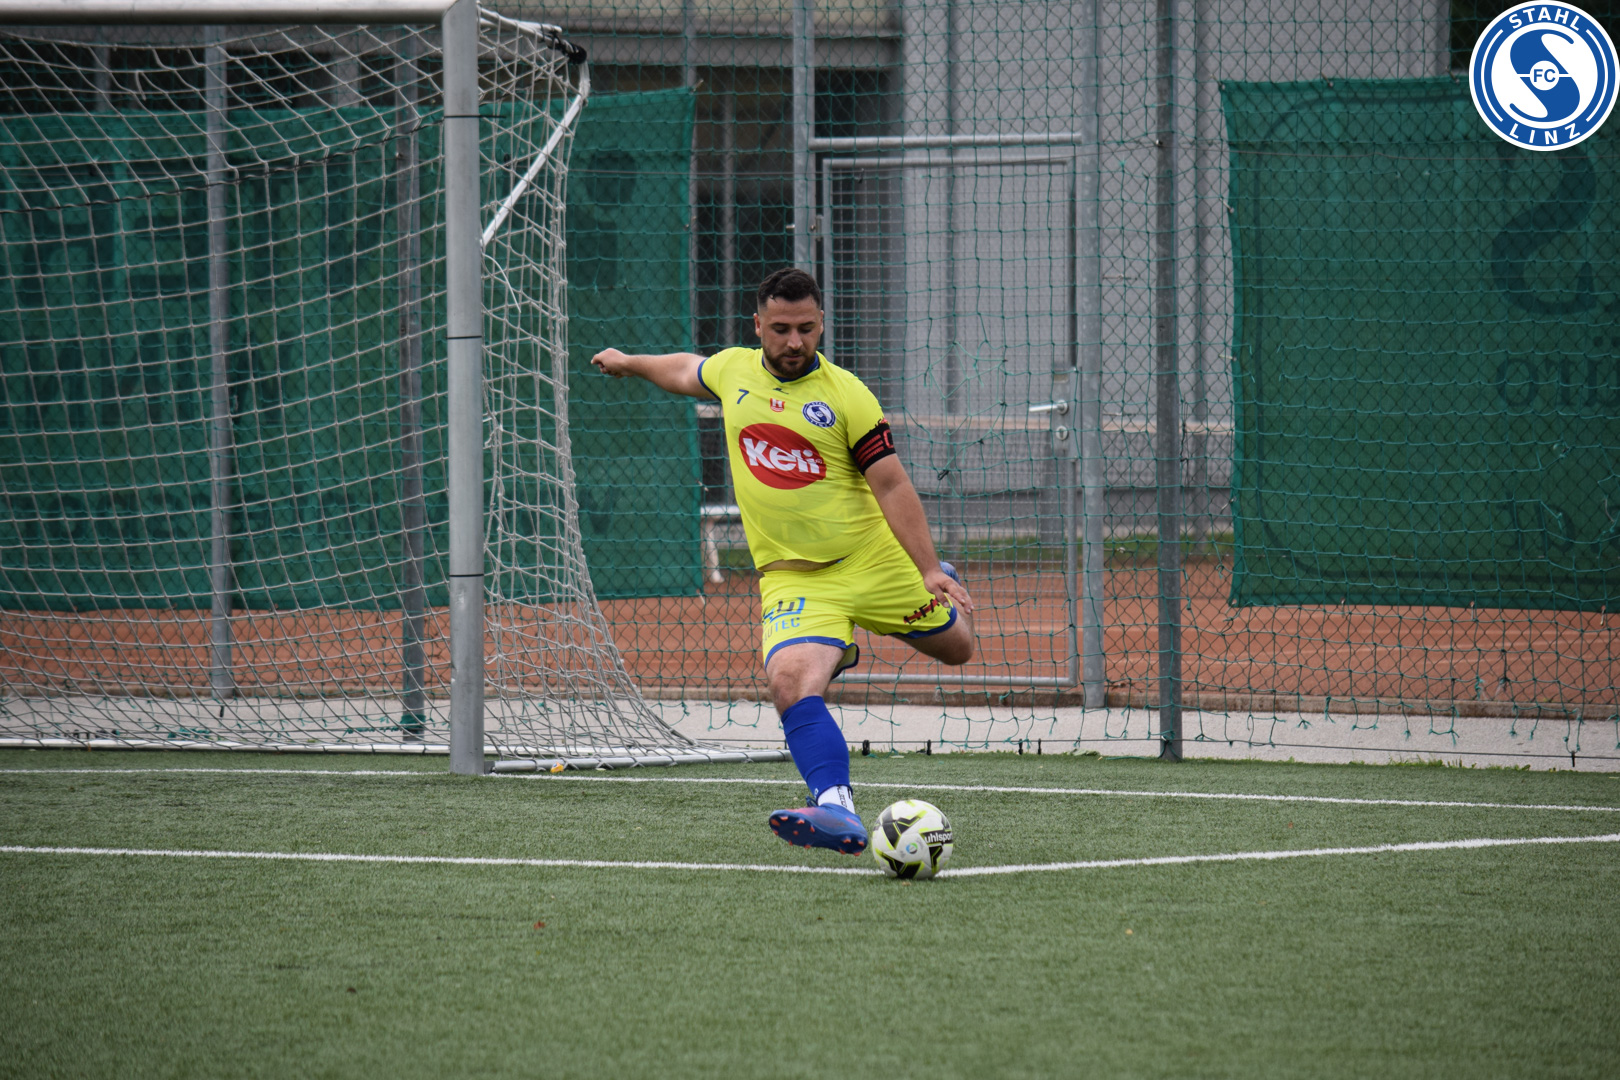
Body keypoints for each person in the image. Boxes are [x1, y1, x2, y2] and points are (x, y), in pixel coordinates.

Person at [591, 267, 974, 856]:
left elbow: (892, 485)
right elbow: (684, 369)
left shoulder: (848, 395)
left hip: (873, 560)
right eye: (781, 329)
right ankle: (836, 808)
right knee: (789, 684)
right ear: (757, 326)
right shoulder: (733, 371)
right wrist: (629, 362)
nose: (795, 342)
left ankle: (935, 581)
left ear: (821, 324)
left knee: (959, 649)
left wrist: (926, 569)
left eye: (806, 329)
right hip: (797, 582)